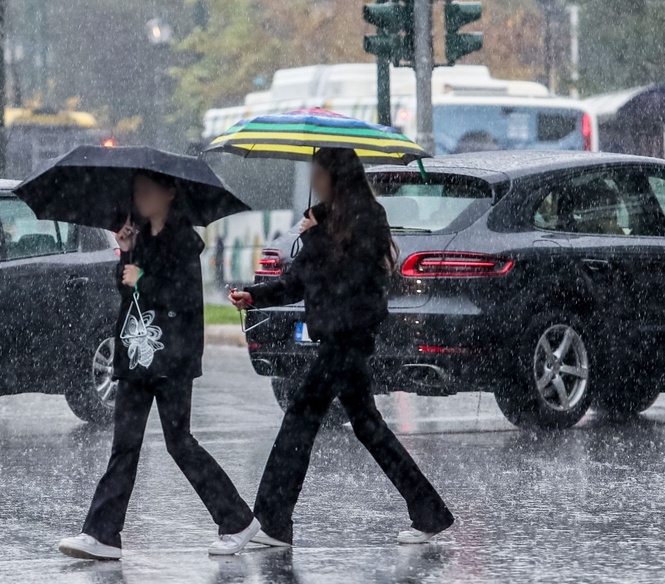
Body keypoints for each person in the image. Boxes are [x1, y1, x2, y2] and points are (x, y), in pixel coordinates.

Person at [230, 148, 455, 547]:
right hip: (336, 339)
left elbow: (350, 281)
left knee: (299, 418)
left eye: (319, 174)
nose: (314, 181)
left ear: (338, 176)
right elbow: (297, 283)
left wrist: (313, 235)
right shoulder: (325, 219)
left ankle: (273, 521)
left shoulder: (368, 220)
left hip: (348, 339)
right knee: (367, 426)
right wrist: (254, 296)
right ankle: (429, 511)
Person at [59, 171, 260, 561]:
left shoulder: (184, 241)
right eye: (137, 191)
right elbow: (127, 291)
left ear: (170, 193)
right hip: (137, 355)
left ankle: (236, 519)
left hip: (173, 357)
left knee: (179, 443)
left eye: (148, 191)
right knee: (125, 446)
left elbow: (182, 299)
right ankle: (102, 534)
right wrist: (125, 251)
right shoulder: (140, 237)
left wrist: (143, 278)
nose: (141, 197)